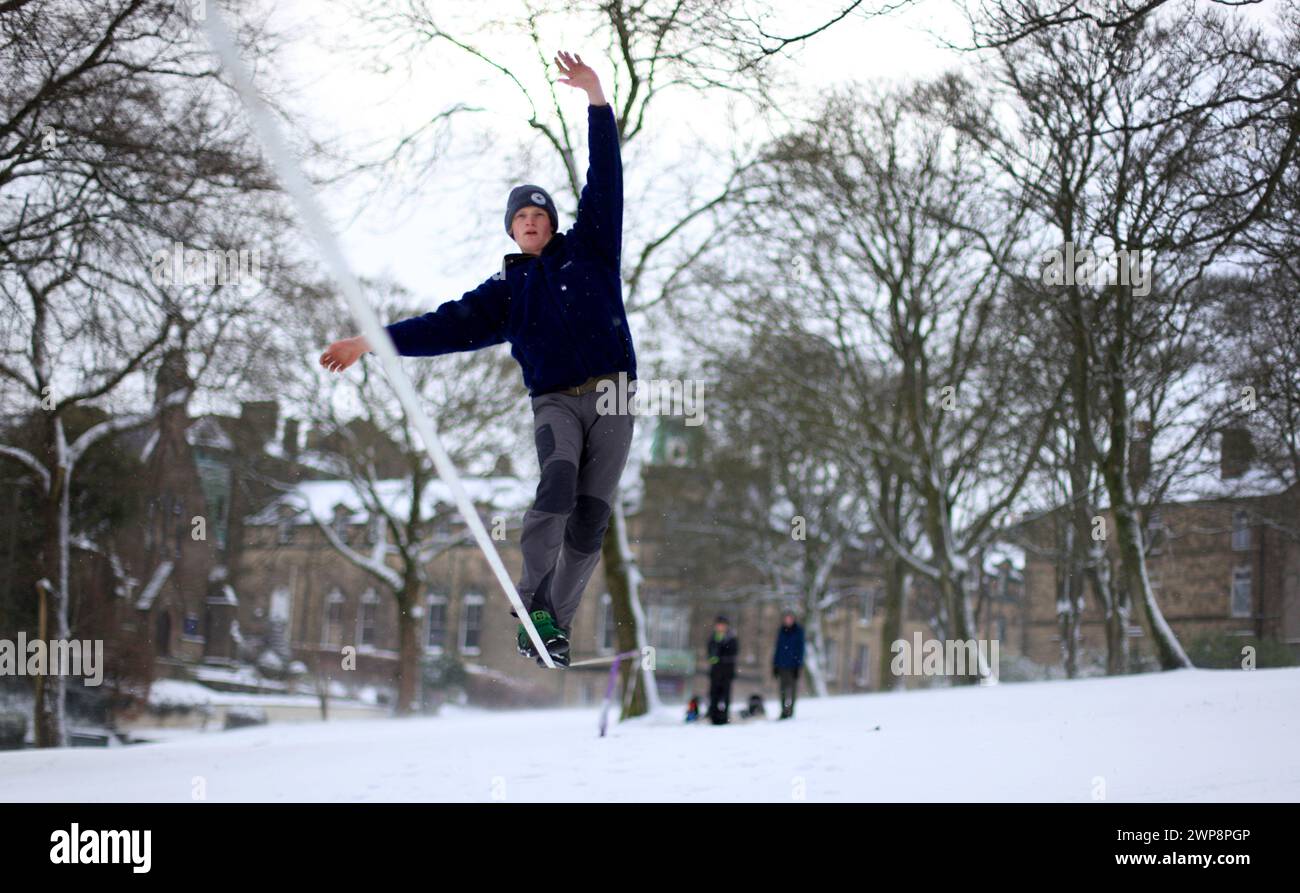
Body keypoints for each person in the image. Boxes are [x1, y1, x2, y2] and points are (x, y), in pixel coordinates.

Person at [319, 52, 635, 670]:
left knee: (591, 519)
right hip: (555, 401)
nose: (532, 223)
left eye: (539, 214)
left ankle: (556, 628)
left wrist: (597, 100)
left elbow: (606, 180)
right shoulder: (507, 292)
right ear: (512, 232)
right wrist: (370, 341)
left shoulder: (592, 249)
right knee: (559, 483)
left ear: (551, 223)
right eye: (521, 218)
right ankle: (532, 606)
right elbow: (444, 325)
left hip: (614, 396)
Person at [772, 609, 804, 719]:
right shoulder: (781, 631)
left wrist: (798, 665)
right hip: (782, 665)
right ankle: (783, 710)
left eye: (790, 618)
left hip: (793, 666)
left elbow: (800, 650)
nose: (788, 620)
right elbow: (778, 649)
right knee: (782, 689)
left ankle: (790, 710)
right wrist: (775, 665)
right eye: (786, 618)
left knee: (792, 689)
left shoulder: (798, 631)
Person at [706, 615, 738, 725]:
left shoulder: (731, 638)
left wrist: (720, 657)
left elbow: (733, 653)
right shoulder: (713, 638)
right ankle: (713, 716)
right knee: (714, 695)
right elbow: (710, 653)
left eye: (722, 625)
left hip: (727, 672)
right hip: (715, 672)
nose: (720, 627)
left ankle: (724, 716)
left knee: (725, 695)